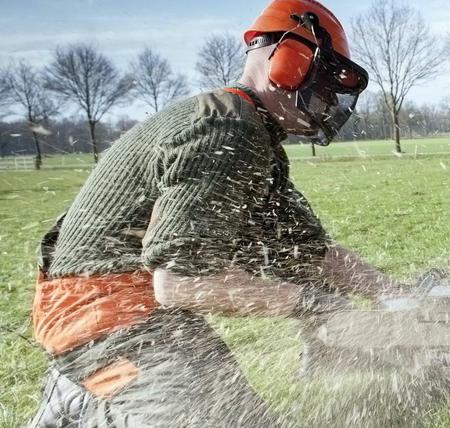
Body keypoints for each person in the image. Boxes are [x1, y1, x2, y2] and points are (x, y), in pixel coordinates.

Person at [28, 1, 399, 426]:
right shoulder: (228, 131)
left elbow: (310, 252)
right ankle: (102, 398)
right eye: (324, 86)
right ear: (289, 61)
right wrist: (315, 304)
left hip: (114, 307)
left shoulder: (249, 131)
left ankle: (90, 397)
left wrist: (395, 295)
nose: (327, 101)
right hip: (109, 316)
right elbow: (181, 282)